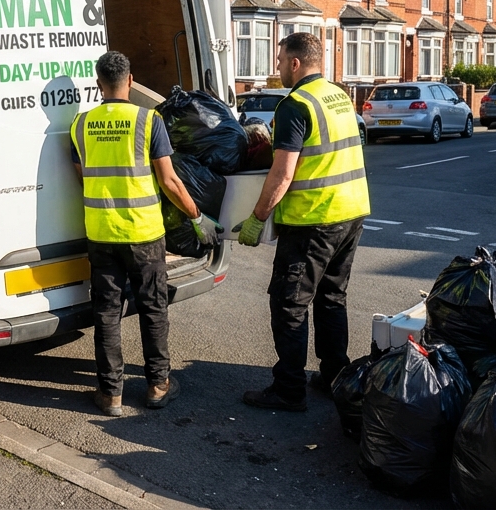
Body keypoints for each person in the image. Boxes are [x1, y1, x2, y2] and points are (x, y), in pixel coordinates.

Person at [71, 50, 220, 417]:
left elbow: (82, 176)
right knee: (153, 307)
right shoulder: (147, 120)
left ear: (98, 84)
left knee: (106, 312)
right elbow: (169, 180)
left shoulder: (80, 125)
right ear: (131, 81)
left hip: (102, 233)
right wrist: (197, 216)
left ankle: (111, 395)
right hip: (144, 234)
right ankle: (157, 385)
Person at [234, 32, 370, 411]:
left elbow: (283, 174)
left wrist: (256, 217)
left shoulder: (295, 105)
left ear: (295, 63)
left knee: (289, 303)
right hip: (352, 211)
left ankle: (289, 389)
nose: (278, 70)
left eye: (280, 62)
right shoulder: (338, 95)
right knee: (331, 298)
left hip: (314, 219)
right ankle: (334, 376)